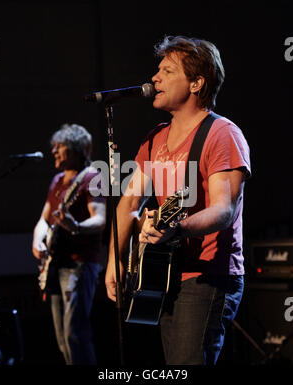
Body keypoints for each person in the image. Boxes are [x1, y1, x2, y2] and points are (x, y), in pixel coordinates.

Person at [105, 35, 251, 365]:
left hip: (207, 276)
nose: (155, 77)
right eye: (157, 70)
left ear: (197, 83)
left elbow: (223, 209)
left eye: (167, 71)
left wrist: (178, 229)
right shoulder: (155, 138)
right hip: (162, 273)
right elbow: (129, 204)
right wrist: (115, 260)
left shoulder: (221, 134)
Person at [32, 123, 106, 365]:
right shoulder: (57, 181)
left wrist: (77, 227)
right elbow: (44, 219)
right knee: (62, 338)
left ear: (76, 150)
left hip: (79, 265)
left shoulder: (93, 177)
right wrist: (37, 240)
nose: (53, 151)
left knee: (75, 334)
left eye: (59, 147)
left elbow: (100, 219)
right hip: (56, 263)